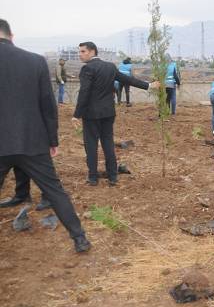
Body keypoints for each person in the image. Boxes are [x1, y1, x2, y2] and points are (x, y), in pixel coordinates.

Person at [0, 18, 91, 252]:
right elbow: (48, 105)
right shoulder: (34, 61)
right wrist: (52, 140)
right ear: (12, 35)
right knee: (54, 190)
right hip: (33, 141)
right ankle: (79, 238)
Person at [71, 41, 159, 186]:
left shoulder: (87, 69)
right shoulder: (110, 67)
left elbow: (84, 93)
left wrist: (77, 114)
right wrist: (148, 85)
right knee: (108, 144)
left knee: (91, 145)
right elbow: (127, 80)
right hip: (108, 113)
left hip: (91, 115)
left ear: (92, 52)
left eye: (82, 51)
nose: (80, 55)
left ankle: (93, 178)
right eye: (79, 51)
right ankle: (112, 177)